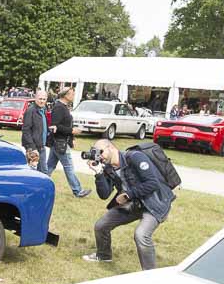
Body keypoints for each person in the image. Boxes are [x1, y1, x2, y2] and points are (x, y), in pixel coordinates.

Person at [83, 139, 175, 270]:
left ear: (111, 148)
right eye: (95, 152)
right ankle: (104, 255)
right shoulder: (109, 168)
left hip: (155, 203)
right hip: (134, 204)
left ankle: (150, 274)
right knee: (101, 225)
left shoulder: (135, 157)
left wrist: (128, 195)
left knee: (141, 235)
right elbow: (104, 194)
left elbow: (153, 183)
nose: (99, 156)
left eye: (101, 151)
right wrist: (98, 173)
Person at [46, 86, 91, 198]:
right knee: (68, 167)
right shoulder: (59, 107)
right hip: (60, 142)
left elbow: (65, 124)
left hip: (61, 141)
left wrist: (72, 138)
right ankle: (78, 190)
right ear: (65, 95)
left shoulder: (64, 107)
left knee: (50, 166)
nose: (73, 95)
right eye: (72, 93)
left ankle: (38, 185)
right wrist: (72, 131)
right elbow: (55, 125)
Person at [21, 90, 49, 173]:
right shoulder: (30, 111)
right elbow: (26, 130)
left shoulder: (43, 110)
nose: (42, 101)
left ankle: (40, 186)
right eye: (40, 99)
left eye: (44, 99)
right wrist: (32, 148)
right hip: (33, 147)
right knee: (33, 171)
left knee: (42, 171)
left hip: (41, 146)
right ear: (35, 98)